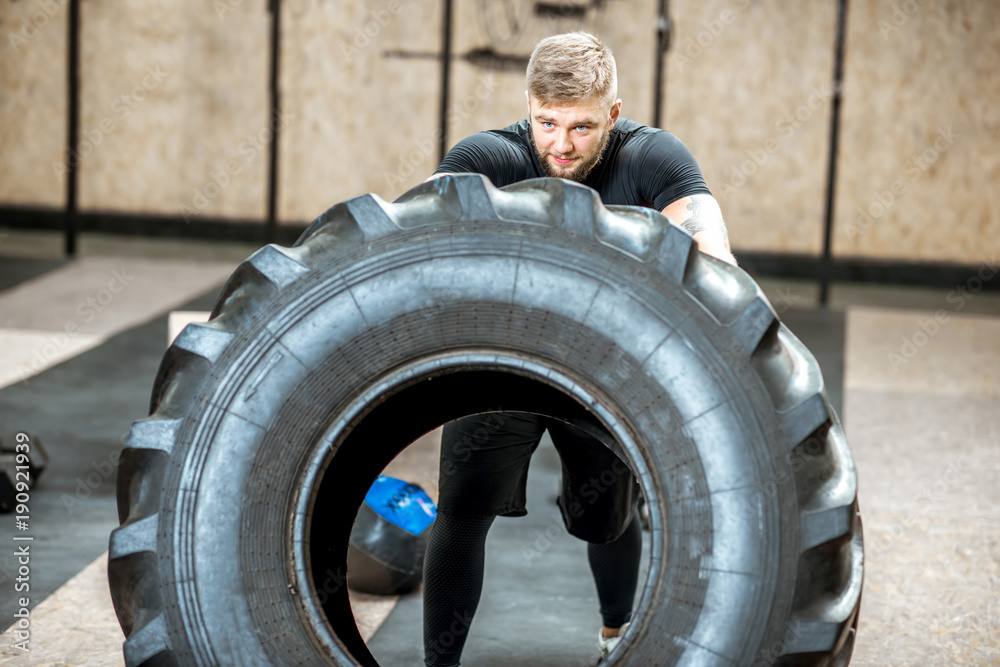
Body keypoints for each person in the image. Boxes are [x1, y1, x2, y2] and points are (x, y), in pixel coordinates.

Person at [421, 31, 736, 667]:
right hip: (500, 367)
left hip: (604, 371)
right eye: (548, 123)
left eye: (583, 127)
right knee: (463, 507)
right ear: (528, 108)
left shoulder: (654, 160)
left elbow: (719, 268)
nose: (562, 146)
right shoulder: (487, 157)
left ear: (613, 115)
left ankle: (615, 636)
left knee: (607, 519)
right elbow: (421, 260)